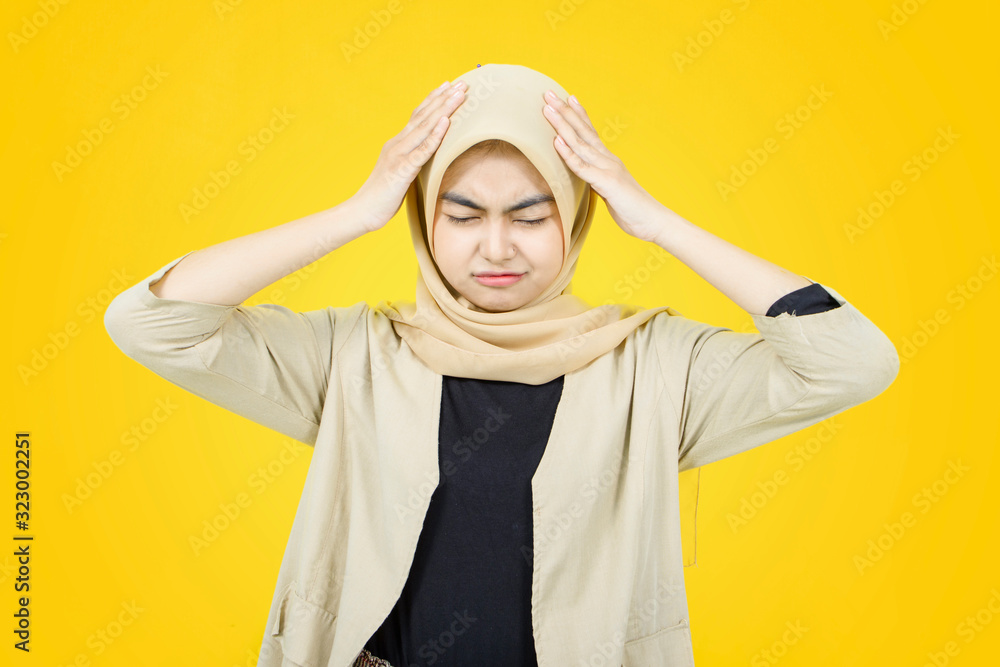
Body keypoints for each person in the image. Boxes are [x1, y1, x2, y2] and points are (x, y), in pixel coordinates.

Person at [103, 64, 899, 667]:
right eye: (462, 213)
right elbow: (152, 323)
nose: (495, 247)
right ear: (422, 216)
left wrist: (656, 221)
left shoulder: (654, 367)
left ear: (578, 216)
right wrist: (356, 213)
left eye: (530, 214)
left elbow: (853, 363)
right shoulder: (353, 356)